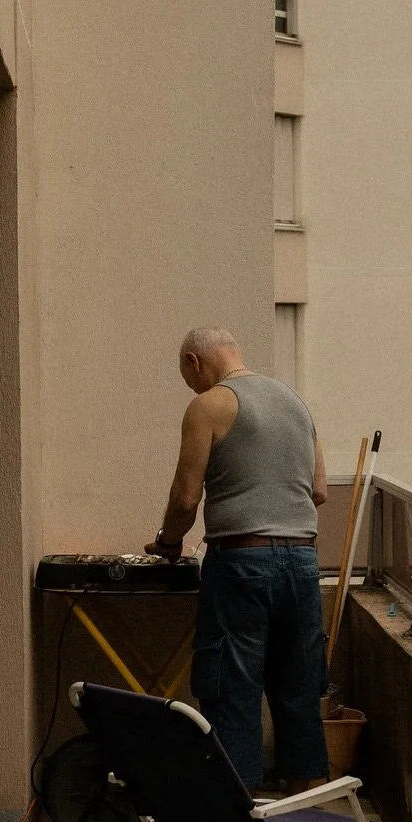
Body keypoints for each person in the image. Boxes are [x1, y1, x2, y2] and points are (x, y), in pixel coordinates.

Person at [145, 325, 329, 791]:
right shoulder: (295, 403)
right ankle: (304, 801)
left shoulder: (209, 405)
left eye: (189, 376)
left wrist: (168, 541)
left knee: (232, 686)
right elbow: (320, 491)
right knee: (298, 685)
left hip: (243, 562)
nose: (192, 386)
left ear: (194, 361)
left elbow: (186, 500)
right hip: (303, 563)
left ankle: (238, 804)